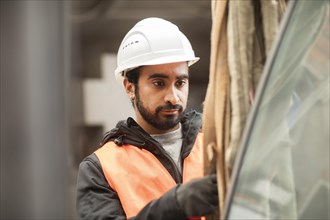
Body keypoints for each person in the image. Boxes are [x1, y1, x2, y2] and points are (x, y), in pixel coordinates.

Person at [76, 17, 219, 220]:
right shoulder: (100, 168)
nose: (173, 97)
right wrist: (174, 205)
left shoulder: (215, 141)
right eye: (159, 83)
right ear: (129, 87)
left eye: (180, 83)